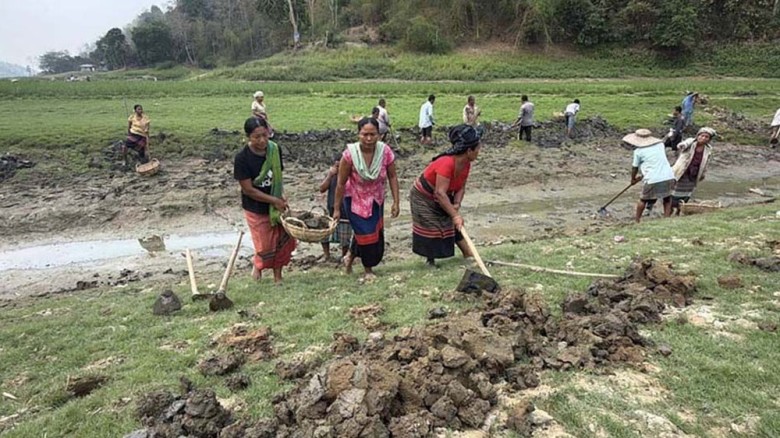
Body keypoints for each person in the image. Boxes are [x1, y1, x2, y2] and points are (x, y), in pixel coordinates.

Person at [332, 117, 400, 280]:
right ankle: (368, 269)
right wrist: (336, 209)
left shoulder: (385, 152)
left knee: (373, 234)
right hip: (355, 200)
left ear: (379, 135)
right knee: (365, 235)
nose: (369, 139)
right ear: (358, 135)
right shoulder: (349, 156)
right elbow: (340, 183)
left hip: (376, 199)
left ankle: (349, 257)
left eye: (373, 134)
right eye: (365, 134)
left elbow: (392, 176)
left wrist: (396, 201)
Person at [234, 117, 296, 284]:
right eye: (257, 137)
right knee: (265, 246)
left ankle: (278, 276)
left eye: (265, 135)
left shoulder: (275, 150)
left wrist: (281, 197)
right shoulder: (242, 158)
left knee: (282, 240)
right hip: (255, 207)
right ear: (248, 137)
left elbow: (278, 176)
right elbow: (248, 189)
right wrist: (273, 200)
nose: (262, 140)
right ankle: (258, 265)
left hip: (276, 203)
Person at [410, 125, 481, 267]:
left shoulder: (466, 163)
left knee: (453, 225)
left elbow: (461, 186)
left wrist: (457, 204)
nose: (479, 151)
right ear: (469, 150)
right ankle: (430, 261)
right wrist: (455, 215)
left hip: (443, 194)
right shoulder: (446, 163)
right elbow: (440, 193)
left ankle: (468, 254)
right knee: (432, 226)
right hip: (424, 196)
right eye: (478, 148)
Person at [625, 129, 676, 223]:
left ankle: (637, 220)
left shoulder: (638, 151)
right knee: (667, 198)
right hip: (669, 175)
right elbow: (654, 161)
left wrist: (633, 179)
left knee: (643, 199)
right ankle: (667, 218)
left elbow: (635, 167)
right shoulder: (660, 145)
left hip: (653, 178)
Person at [670, 127, 716, 215]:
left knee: (686, 194)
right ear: (698, 136)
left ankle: (679, 211)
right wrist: (682, 145)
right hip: (681, 172)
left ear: (709, 139)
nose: (703, 138)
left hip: (693, 174)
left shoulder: (708, 149)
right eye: (702, 136)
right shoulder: (691, 143)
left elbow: (706, 162)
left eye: (706, 137)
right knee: (674, 193)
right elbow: (683, 144)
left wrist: (703, 174)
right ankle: (669, 211)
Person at [319, 153, 353, 260]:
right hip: (331, 209)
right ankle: (327, 255)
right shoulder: (332, 177)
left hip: (345, 210)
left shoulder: (349, 177)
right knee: (324, 234)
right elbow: (322, 189)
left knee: (344, 237)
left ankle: (344, 255)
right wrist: (329, 175)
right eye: (337, 166)